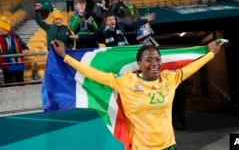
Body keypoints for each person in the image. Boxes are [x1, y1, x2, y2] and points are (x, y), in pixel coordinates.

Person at [51, 38, 221, 150]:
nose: (155, 64)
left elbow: (191, 68)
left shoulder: (170, 78)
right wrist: (65, 57)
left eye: (157, 59)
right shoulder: (126, 82)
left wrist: (211, 54)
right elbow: (94, 74)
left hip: (168, 146)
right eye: (149, 60)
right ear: (139, 64)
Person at [69, 11, 156, 47]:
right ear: (106, 22)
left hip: (123, 50)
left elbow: (133, 25)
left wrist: (146, 20)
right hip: (112, 54)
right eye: (110, 20)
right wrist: (77, 37)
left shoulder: (121, 26)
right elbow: (92, 36)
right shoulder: (103, 30)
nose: (112, 21)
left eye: (113, 19)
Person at [0, 16, 29, 84]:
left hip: (17, 62)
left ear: (5, 28)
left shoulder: (15, 36)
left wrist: (26, 50)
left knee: (20, 80)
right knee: (8, 81)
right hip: (6, 64)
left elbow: (24, 46)